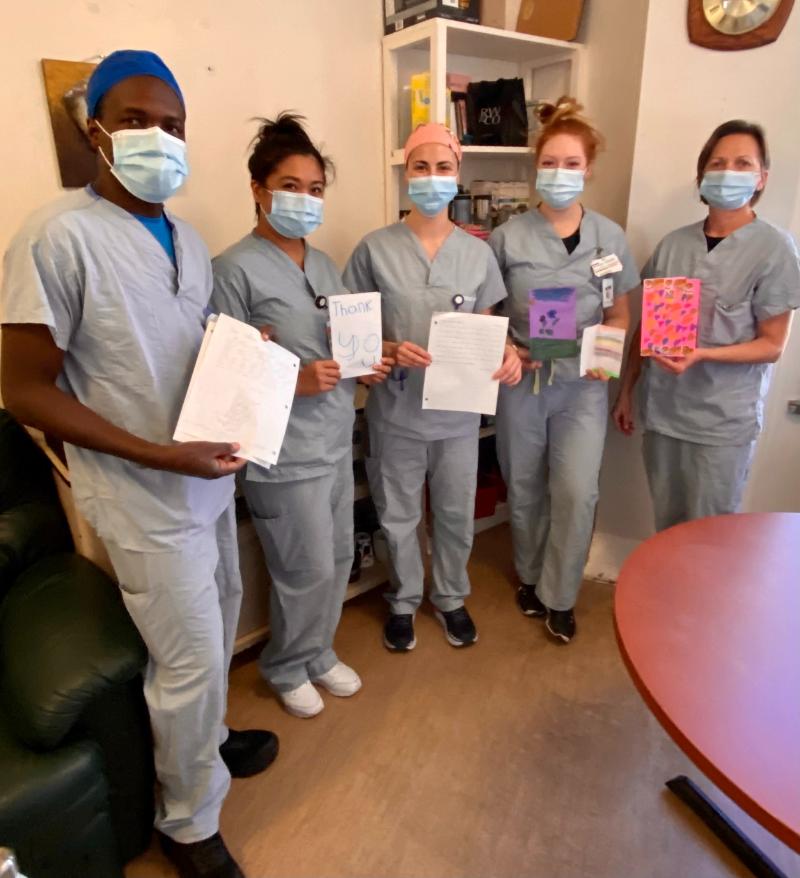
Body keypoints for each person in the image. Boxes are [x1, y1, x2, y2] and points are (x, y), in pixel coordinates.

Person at [0, 51, 276, 878]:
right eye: (137, 121)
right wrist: (160, 453)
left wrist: (243, 352)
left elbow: (176, 347)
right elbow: (20, 389)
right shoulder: (56, 237)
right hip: (144, 493)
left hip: (206, 478)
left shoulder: (188, 240)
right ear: (97, 133)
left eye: (175, 126)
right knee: (186, 658)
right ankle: (188, 824)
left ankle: (210, 745)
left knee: (222, 615)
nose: (160, 138)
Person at [211, 114, 390, 719]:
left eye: (315, 190)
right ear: (258, 189)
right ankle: (284, 665)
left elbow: (339, 343)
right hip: (282, 454)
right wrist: (296, 377)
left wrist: (366, 362)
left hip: (335, 439)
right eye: (290, 186)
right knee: (302, 567)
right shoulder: (232, 270)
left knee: (338, 557)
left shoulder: (326, 264)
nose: (304, 200)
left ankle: (316, 652)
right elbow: (226, 378)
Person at [344, 123, 521, 653]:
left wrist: (509, 354)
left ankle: (449, 597)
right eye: (421, 167)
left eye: (443, 168)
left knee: (453, 511)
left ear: (457, 175)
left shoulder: (477, 253)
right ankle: (402, 599)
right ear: (406, 173)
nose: (432, 178)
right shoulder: (374, 249)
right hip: (396, 410)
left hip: (458, 416)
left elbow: (491, 329)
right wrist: (388, 349)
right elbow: (354, 334)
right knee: (398, 515)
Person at [488, 97, 639, 644]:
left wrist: (605, 358)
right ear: (536, 169)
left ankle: (561, 593)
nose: (559, 173)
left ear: (588, 169)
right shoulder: (507, 238)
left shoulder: (610, 238)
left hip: (583, 386)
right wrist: (507, 346)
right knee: (525, 485)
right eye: (549, 162)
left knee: (576, 490)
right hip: (523, 382)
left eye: (571, 163)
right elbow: (489, 313)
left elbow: (621, 314)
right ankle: (530, 577)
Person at [612, 120, 800, 531]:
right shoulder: (674, 245)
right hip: (663, 414)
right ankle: (670, 596)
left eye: (742, 163)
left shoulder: (775, 249)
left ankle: (704, 599)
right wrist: (626, 389)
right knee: (668, 524)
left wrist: (704, 354)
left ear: (761, 178)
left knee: (711, 535)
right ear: (701, 175)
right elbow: (647, 329)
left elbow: (772, 345)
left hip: (721, 425)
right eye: (718, 163)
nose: (728, 172)